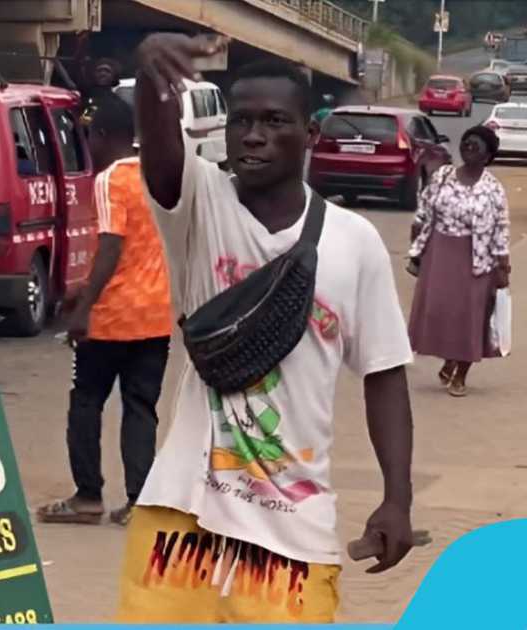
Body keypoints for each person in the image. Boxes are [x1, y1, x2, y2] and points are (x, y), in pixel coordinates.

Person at [116, 34, 416, 623]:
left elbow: (384, 375)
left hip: (294, 532)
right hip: (183, 518)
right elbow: (160, 149)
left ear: (310, 135)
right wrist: (152, 77)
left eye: (275, 121)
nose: (254, 135)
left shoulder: (355, 243)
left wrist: (397, 500)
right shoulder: (200, 205)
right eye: (242, 121)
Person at [36, 93, 173, 527]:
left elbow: (112, 245)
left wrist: (84, 309)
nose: (88, 147)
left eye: (89, 137)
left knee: (86, 401)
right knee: (141, 408)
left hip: (113, 318)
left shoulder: (109, 179)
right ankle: (139, 502)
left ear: (103, 135)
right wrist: (81, 290)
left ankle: (88, 496)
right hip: (156, 316)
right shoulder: (155, 175)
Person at [408, 125, 510, 397]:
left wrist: (503, 266)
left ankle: (461, 374)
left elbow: (501, 227)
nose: (468, 147)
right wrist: (415, 248)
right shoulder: (443, 176)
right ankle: (449, 359)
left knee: (471, 317)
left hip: (478, 258)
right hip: (440, 252)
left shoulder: (493, 189)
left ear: (488, 155)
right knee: (441, 312)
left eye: (475, 145)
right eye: (466, 142)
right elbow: (423, 212)